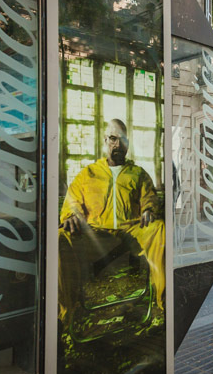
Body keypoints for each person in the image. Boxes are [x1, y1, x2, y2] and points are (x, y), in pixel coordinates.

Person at [58, 119, 165, 327]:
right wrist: (71, 215)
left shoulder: (138, 174)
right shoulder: (87, 174)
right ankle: (67, 314)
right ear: (105, 140)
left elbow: (149, 198)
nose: (117, 144)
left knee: (159, 229)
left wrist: (149, 210)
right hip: (98, 234)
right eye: (113, 139)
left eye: (122, 140)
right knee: (61, 238)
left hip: (132, 231)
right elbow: (72, 201)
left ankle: (161, 303)